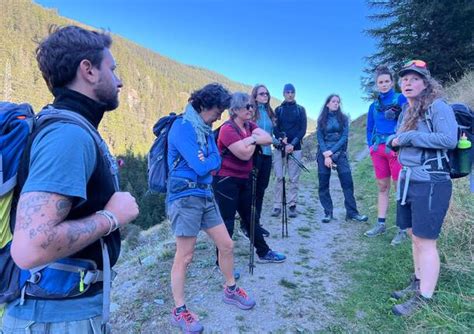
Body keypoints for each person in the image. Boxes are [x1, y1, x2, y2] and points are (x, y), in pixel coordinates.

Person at [3, 25, 139, 333]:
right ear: (88, 71)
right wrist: (111, 217)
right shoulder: (68, 136)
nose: (118, 81)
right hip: (57, 317)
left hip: (61, 309)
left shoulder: (70, 127)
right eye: (112, 69)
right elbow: (30, 248)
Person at [167, 84, 256, 333]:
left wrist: (208, 160)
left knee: (226, 245)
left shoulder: (204, 129)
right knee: (185, 256)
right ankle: (180, 310)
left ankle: (230, 289)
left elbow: (215, 161)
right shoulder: (183, 126)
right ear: (205, 105)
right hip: (185, 197)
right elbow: (202, 166)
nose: (220, 115)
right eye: (218, 110)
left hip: (205, 195)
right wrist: (208, 161)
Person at [386, 60, 457, 316]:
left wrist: (410, 137)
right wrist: (394, 141)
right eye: (404, 79)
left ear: (426, 82)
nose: (407, 82)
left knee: (426, 241)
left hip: (432, 181)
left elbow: (449, 139)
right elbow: (397, 139)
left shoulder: (438, 107)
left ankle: (424, 298)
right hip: (409, 179)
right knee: (415, 235)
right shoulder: (408, 110)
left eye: (414, 79)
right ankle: (417, 283)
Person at [214, 92, 286, 264]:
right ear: (236, 109)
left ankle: (263, 252)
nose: (251, 109)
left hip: (244, 178)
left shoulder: (249, 126)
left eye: (251, 106)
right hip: (225, 181)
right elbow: (244, 155)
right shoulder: (227, 129)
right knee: (227, 222)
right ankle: (221, 262)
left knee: (251, 217)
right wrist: (255, 140)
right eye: (247, 106)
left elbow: (268, 138)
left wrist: (250, 139)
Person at [364, 65, 409, 245]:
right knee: (382, 187)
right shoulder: (373, 106)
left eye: (386, 81)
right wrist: (370, 147)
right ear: (376, 85)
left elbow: (410, 119)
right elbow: (369, 128)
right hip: (378, 150)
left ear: (392, 83)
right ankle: (381, 223)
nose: (383, 85)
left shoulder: (401, 99)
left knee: (400, 189)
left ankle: (402, 229)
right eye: (380, 82)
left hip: (397, 150)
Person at [316, 94, 368, 223]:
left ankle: (352, 213)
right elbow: (320, 138)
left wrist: (332, 152)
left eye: (338, 102)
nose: (336, 104)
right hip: (323, 154)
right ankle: (328, 213)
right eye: (333, 101)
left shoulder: (343, 118)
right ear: (327, 103)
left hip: (340, 154)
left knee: (347, 183)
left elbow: (344, 137)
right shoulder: (321, 119)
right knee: (323, 184)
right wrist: (325, 154)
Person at [241, 84, 277, 238]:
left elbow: (270, 134)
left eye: (267, 93)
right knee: (251, 190)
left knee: (261, 190)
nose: (265, 96)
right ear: (255, 96)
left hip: (268, 155)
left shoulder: (270, 113)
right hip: (254, 155)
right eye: (262, 93)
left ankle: (256, 224)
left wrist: (279, 142)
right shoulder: (251, 111)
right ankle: (245, 225)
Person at [272, 83, 307, 218]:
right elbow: (275, 128)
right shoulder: (278, 110)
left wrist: (292, 144)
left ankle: (292, 205)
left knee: (293, 178)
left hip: (295, 149)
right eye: (287, 92)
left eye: (292, 92)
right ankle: (277, 205)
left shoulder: (301, 110)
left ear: (295, 93)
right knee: (279, 177)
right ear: (283, 94)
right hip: (280, 148)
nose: (290, 94)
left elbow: (302, 129)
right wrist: (282, 138)